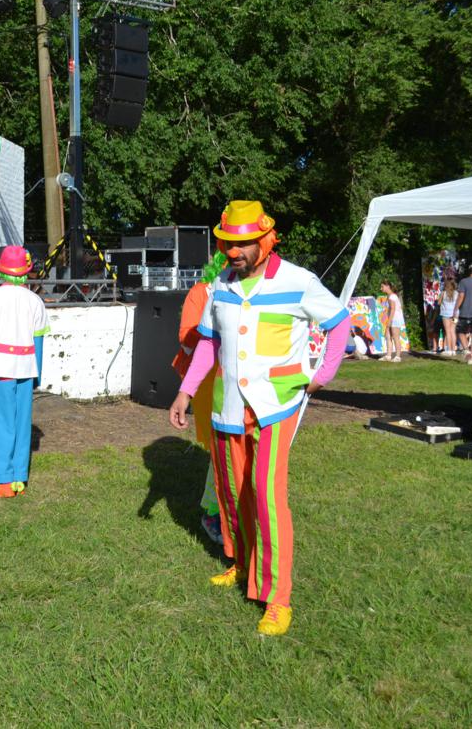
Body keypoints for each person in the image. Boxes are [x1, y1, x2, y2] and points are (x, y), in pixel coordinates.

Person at [167, 200, 351, 636]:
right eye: (228, 243)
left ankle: (277, 598)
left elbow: (339, 323)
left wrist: (322, 374)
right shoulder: (220, 286)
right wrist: (185, 391)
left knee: (266, 496)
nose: (234, 252)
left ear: (267, 241)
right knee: (232, 493)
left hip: (274, 406)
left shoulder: (298, 281)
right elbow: (208, 343)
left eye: (244, 243)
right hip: (228, 407)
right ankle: (241, 563)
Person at [0, 245, 49, 497]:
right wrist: (37, 375)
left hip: (1, 367)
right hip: (26, 368)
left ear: (1, 270)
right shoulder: (35, 300)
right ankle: (19, 478)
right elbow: (38, 342)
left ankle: (2, 481)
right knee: (22, 423)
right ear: (25, 271)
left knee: (0, 422)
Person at [171, 252, 229, 544]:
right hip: (207, 379)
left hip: (238, 378)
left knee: (229, 446)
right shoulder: (201, 292)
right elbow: (186, 337)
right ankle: (212, 511)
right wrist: (213, 330)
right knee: (219, 444)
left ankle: (226, 509)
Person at [379, 281, 406, 362]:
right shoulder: (389, 296)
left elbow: (393, 309)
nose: (381, 288)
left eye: (382, 286)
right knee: (388, 336)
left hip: (395, 319)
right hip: (392, 318)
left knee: (395, 337)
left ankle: (398, 356)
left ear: (387, 286)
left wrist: (389, 322)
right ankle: (388, 355)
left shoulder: (392, 297)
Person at [439, 277, 459, 355]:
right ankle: (454, 350)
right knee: (453, 331)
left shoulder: (443, 293)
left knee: (448, 332)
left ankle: (449, 350)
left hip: (446, 314)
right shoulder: (457, 293)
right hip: (455, 315)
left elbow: (439, 303)